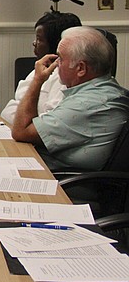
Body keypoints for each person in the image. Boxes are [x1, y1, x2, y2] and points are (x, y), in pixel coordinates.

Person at [11, 26, 129, 172]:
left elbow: (21, 131)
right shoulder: (100, 91)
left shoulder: (86, 105)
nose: (56, 63)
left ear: (81, 68)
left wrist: (38, 79)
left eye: (60, 58)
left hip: (63, 183)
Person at [1, 12, 81, 124]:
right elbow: (10, 111)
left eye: (39, 39)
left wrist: (20, 117)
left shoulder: (64, 78)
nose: (35, 43)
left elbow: (47, 121)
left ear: (58, 43)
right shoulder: (40, 68)